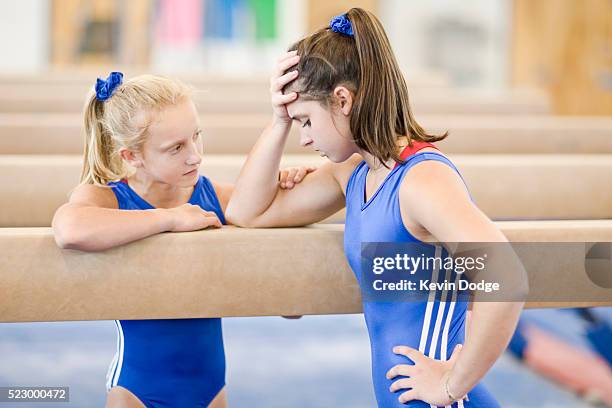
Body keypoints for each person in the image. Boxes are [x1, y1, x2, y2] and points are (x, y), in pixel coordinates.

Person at [226, 8, 525, 407]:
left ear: (343, 100)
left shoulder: (420, 181)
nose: (305, 139)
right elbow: (248, 213)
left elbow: (507, 277)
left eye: (306, 122)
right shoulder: (353, 174)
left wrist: (451, 383)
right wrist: (279, 119)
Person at [52, 72, 313, 408]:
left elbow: (289, 304)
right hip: (135, 393)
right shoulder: (109, 199)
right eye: (176, 147)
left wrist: (286, 180)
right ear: (131, 157)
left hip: (211, 391)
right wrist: (170, 218)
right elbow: (69, 229)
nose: (195, 156)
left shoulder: (211, 197)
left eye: (196, 137)